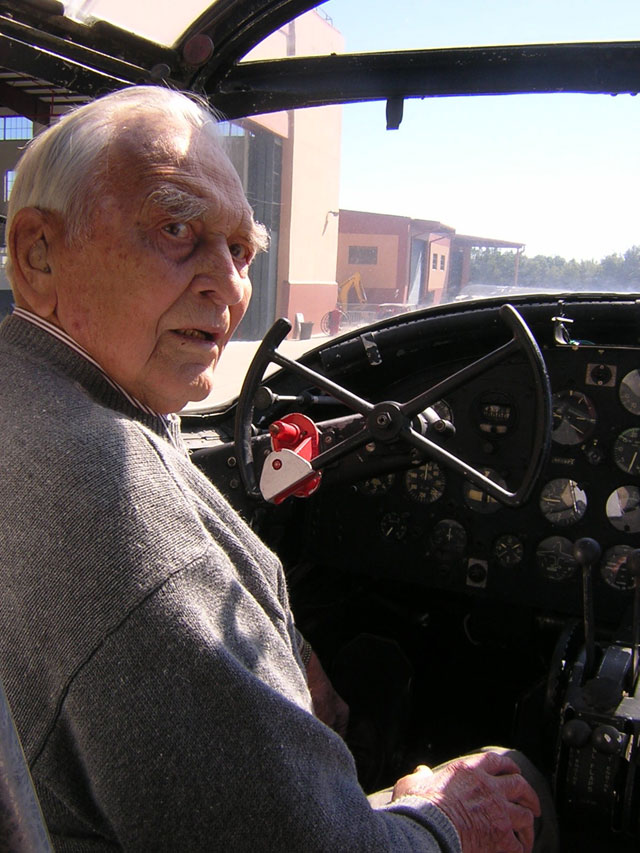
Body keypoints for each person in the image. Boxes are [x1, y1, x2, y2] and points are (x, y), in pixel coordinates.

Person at [0, 85, 551, 852]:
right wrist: (445, 818)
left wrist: (287, 649)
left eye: (241, 250)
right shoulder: (123, 509)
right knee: (520, 781)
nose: (229, 287)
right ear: (38, 254)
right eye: (176, 229)